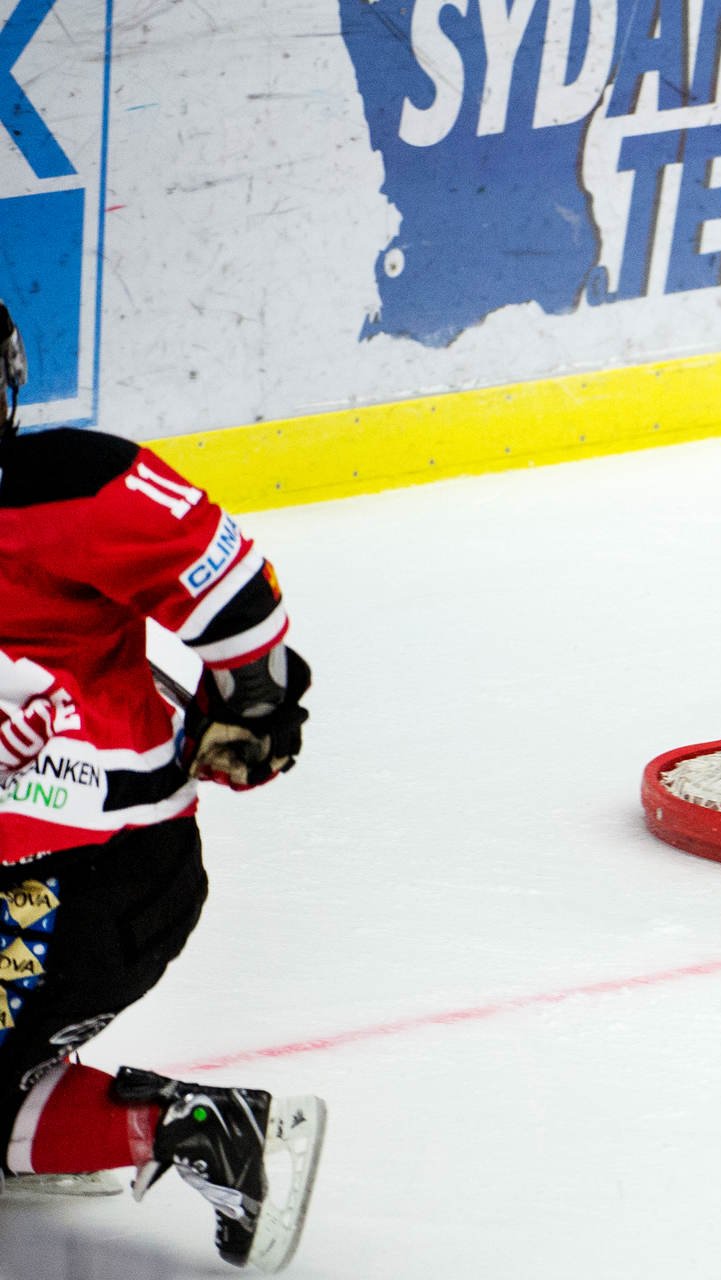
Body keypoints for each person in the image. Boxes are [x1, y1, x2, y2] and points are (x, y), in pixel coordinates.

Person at [0, 301, 325, 1272]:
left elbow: (223, 578)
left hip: (87, 882)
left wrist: (255, 697)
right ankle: (47, 1109)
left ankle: (207, 1131)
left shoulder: (55, 490)